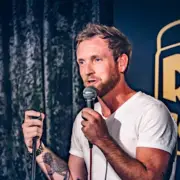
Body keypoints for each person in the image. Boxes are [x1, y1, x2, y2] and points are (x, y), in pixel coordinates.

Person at [22, 23, 177, 180]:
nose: (87, 70)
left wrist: (102, 139)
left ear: (121, 63)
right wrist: (38, 149)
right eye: (81, 62)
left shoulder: (151, 111)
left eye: (96, 59)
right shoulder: (84, 118)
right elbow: (72, 178)